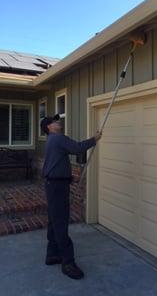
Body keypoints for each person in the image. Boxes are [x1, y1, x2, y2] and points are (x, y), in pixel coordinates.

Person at [40, 114, 102, 280]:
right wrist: (94, 139)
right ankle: (68, 263)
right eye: (54, 121)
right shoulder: (58, 138)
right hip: (57, 187)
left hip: (54, 184)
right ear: (49, 127)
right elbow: (78, 148)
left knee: (54, 221)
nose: (58, 121)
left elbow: (56, 162)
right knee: (60, 222)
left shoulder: (52, 141)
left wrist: (68, 178)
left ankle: (52, 254)